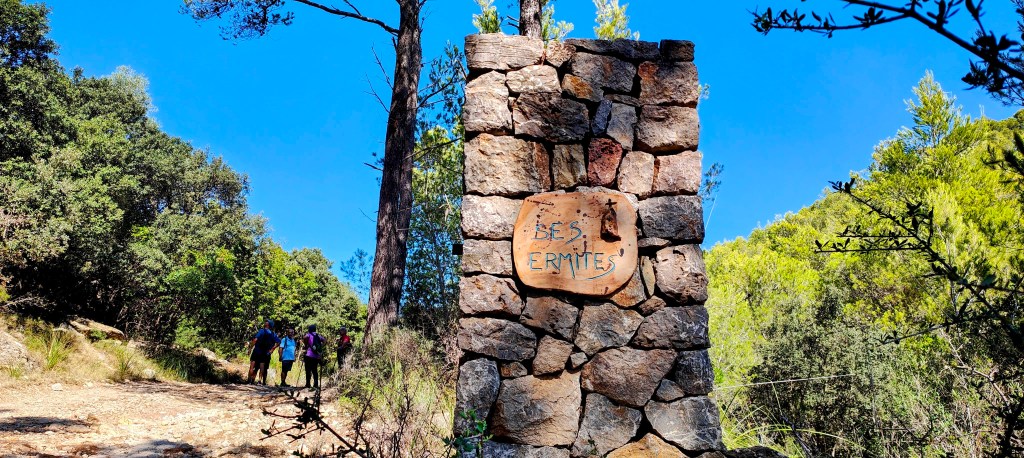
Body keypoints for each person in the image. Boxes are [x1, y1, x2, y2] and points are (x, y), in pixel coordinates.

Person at [247, 319, 280, 385]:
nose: (265, 322)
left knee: (252, 366)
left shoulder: (261, 331)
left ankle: (249, 381)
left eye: (266, 322)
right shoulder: (273, 334)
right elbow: (278, 342)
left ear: (267, 324)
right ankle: (259, 381)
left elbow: (255, 340)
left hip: (256, 351)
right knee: (262, 366)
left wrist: (250, 348)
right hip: (265, 353)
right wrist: (272, 350)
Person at [301, 324, 325, 389]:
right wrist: (320, 347)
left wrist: (306, 345)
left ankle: (308, 384)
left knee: (308, 369)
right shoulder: (318, 336)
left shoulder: (308, 334)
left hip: (309, 354)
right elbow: (324, 340)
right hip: (316, 355)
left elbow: (305, 337)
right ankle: (316, 384)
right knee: (315, 369)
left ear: (309, 329)